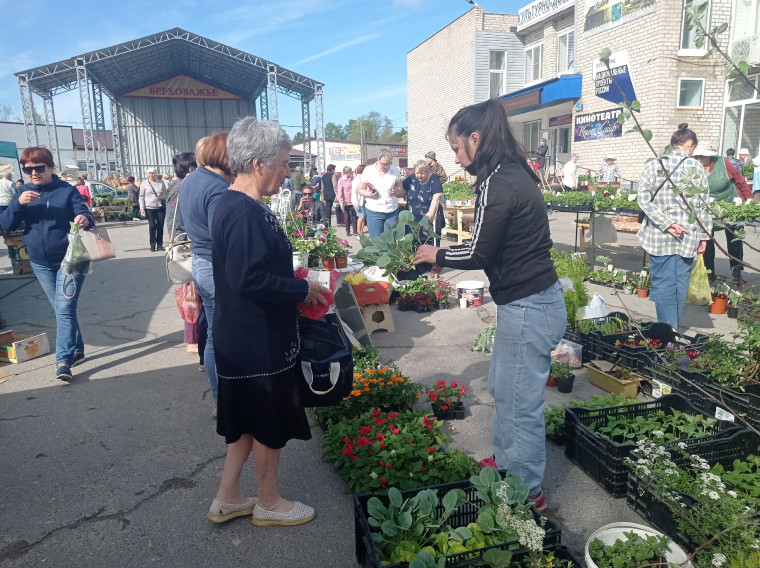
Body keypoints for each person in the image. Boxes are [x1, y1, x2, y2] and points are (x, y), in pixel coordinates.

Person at [413, 99, 565, 512]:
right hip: (528, 304)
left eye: (458, 148)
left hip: (530, 306)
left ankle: (528, 491)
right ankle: (505, 464)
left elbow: (479, 252)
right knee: (505, 391)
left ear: (476, 139)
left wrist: (436, 255)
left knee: (521, 404)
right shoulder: (506, 174)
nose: (457, 159)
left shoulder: (501, 182)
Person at [206, 115, 329, 527]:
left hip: (242, 335)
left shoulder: (237, 204)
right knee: (266, 421)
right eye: (285, 162)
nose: (288, 171)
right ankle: (269, 502)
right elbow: (248, 277)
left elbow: (249, 269)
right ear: (258, 163)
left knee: (245, 423)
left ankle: (227, 497)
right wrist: (300, 290)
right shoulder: (242, 210)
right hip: (256, 339)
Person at [0, 147, 95, 381]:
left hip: (72, 259)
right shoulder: (21, 192)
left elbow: (85, 213)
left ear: (50, 167)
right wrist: (18, 204)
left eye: (39, 168)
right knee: (62, 308)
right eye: (28, 169)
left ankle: (63, 361)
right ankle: (78, 348)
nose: (33, 173)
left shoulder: (67, 191)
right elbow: (7, 225)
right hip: (40, 262)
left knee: (64, 309)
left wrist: (85, 218)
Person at [178, 132, 233, 418]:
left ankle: (219, 400)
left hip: (201, 261)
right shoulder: (217, 188)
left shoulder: (192, 179)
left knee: (213, 334)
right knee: (224, 336)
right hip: (217, 265)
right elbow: (222, 235)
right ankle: (225, 401)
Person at [637, 123, 711, 329]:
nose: (693, 152)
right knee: (680, 284)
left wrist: (667, 223)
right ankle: (673, 328)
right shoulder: (696, 167)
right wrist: (704, 236)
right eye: (693, 148)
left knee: (662, 283)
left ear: (673, 144)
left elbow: (643, 199)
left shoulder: (654, 164)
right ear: (689, 144)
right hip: (688, 236)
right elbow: (703, 205)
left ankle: (667, 329)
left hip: (658, 236)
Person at [692, 146, 751, 285]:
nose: (699, 159)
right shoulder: (693, 166)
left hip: (730, 205)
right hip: (708, 207)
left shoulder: (723, 163)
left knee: (734, 239)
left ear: (710, 156)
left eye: (702, 156)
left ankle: (736, 273)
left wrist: (748, 199)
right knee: (706, 238)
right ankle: (709, 272)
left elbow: (740, 180)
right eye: (696, 156)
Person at [358, 149, 406, 238]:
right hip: (374, 211)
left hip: (391, 211)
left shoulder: (395, 170)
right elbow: (360, 189)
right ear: (378, 159)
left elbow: (401, 190)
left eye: (388, 164)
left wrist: (395, 192)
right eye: (383, 164)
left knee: (391, 241)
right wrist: (370, 194)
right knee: (376, 242)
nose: (386, 166)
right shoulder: (368, 170)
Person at [403, 160, 444, 246]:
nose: (419, 176)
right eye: (417, 173)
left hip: (429, 220)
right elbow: (401, 191)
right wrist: (393, 191)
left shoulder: (434, 179)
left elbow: (437, 196)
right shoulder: (411, 179)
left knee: (429, 245)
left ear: (428, 172)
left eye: (422, 173)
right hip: (412, 220)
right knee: (412, 246)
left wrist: (430, 214)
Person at [166, 153, 197, 236]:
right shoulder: (178, 189)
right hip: (183, 239)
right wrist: (180, 241)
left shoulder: (183, 185)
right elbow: (172, 221)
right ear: (191, 170)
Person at [139, 168, 167, 252]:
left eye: (152, 173)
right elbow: (141, 196)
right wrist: (142, 208)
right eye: (149, 173)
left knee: (160, 225)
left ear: (155, 174)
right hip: (149, 207)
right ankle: (152, 244)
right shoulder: (144, 183)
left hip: (160, 207)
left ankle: (160, 245)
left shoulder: (161, 183)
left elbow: (165, 194)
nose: (151, 175)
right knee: (152, 226)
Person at [351, 164, 367, 237]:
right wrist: (356, 202)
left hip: (364, 200)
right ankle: (358, 233)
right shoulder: (357, 179)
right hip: (358, 201)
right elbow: (354, 191)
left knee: (363, 217)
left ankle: (361, 232)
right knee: (361, 217)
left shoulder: (364, 178)